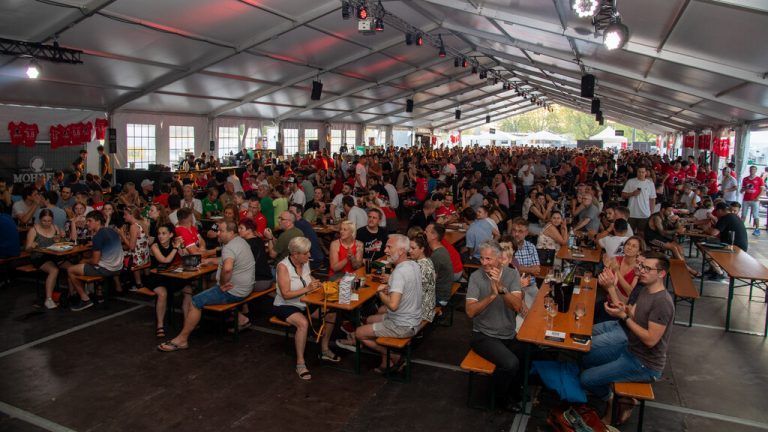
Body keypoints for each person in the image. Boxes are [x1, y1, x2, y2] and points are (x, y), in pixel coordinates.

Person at [583, 251, 674, 425]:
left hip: (645, 364)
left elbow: (650, 340)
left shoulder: (662, 302)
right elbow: (631, 313)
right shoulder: (646, 290)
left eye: (647, 268)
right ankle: (617, 394)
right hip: (629, 350)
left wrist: (623, 317)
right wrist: (617, 303)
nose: (641, 271)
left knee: (586, 378)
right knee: (586, 356)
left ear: (661, 274)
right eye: (641, 267)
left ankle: (613, 400)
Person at [158, 221, 255, 352]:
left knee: (195, 301)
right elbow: (229, 260)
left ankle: (182, 339)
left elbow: (227, 269)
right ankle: (241, 318)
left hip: (234, 291)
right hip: (247, 286)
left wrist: (222, 284)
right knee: (207, 288)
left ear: (231, 233)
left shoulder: (229, 247)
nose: (218, 233)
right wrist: (211, 260)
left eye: (221, 231)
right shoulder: (240, 241)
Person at [466, 240, 525, 410]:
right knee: (510, 363)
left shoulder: (512, 275)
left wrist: (501, 289)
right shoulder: (476, 277)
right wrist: (492, 295)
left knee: (528, 352)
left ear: (499, 259)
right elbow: (470, 312)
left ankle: (514, 390)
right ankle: (500, 399)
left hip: (507, 333)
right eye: (482, 258)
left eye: (488, 259)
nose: (484, 263)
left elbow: (517, 306)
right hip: (483, 336)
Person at [272, 237, 339, 380]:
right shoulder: (283, 267)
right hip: (286, 305)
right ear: (295, 254)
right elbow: (286, 294)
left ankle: (325, 349)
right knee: (303, 323)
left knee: (331, 314)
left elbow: (307, 277)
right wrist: (307, 288)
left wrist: (314, 282)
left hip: (305, 303)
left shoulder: (305, 262)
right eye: (306, 253)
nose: (309, 255)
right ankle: (300, 363)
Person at [355, 234, 423, 372]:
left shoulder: (399, 273)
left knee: (359, 332)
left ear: (402, 251)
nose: (385, 250)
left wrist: (379, 292)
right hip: (414, 318)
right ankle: (387, 358)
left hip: (402, 324)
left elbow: (392, 305)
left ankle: (391, 355)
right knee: (369, 319)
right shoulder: (413, 265)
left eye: (389, 247)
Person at [66, 211, 124, 311]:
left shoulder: (98, 236)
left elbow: (95, 261)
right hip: (119, 266)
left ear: (98, 221)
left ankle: (85, 299)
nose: (87, 223)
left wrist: (85, 260)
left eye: (89, 221)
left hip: (107, 269)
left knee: (71, 270)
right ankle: (88, 291)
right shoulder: (111, 231)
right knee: (84, 260)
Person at [147, 223, 189, 338]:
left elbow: (185, 257)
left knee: (189, 289)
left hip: (169, 276)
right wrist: (175, 248)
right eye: (159, 233)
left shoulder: (173, 244)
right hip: (156, 277)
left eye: (164, 233)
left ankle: (187, 322)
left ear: (171, 235)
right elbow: (165, 260)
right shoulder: (154, 246)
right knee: (162, 293)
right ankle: (160, 325)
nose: (160, 236)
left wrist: (181, 246)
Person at [26, 209, 67, 309]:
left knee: (71, 267)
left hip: (54, 255)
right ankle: (48, 299)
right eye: (44, 221)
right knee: (54, 270)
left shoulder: (55, 227)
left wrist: (61, 238)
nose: (47, 223)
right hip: (39, 257)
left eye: (49, 221)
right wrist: (32, 246)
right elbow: (27, 249)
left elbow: (61, 243)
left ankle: (73, 294)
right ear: (40, 220)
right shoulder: (34, 230)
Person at [601, 236, 645, 305]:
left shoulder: (639, 268)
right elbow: (604, 283)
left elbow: (630, 293)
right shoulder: (616, 259)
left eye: (634, 246)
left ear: (639, 252)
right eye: (628, 244)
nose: (629, 247)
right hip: (609, 300)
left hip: (625, 306)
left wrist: (617, 271)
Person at [119, 206, 151, 291]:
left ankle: (137, 284)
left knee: (117, 257)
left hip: (137, 258)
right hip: (145, 256)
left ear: (132, 215)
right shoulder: (142, 222)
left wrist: (122, 235)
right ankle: (145, 282)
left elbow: (132, 247)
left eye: (125, 214)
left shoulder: (133, 226)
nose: (123, 216)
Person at [238, 219, 273, 292]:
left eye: (241, 228)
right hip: (268, 278)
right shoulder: (258, 239)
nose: (238, 230)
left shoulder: (247, 244)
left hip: (259, 281)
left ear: (249, 230)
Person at [409, 232, 436, 325]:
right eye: (409, 248)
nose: (409, 251)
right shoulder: (427, 260)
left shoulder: (421, 267)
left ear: (422, 249)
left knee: (385, 309)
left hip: (422, 312)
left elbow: (410, 291)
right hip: (427, 306)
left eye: (413, 248)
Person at [622, 166, 657, 235]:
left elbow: (652, 199)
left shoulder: (650, 184)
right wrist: (632, 193)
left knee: (642, 233)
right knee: (629, 233)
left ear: (646, 173)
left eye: (642, 172)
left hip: (645, 214)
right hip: (632, 213)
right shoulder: (630, 182)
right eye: (639, 172)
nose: (641, 174)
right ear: (636, 172)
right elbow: (623, 195)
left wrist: (651, 212)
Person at [426, 223, 454, 307]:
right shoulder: (442, 249)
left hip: (439, 298)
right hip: (443, 294)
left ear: (434, 236)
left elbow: (429, 282)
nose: (424, 232)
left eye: (427, 231)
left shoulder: (437, 255)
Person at [289, 204, 324, 269]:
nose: (289, 214)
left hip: (312, 260)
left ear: (299, 213)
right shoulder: (303, 222)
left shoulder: (298, 225)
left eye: (291, 212)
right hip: (318, 257)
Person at [740, 165, 765, 236]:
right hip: (746, 199)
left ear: (756, 171)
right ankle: (741, 228)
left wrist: (758, 197)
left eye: (754, 169)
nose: (752, 171)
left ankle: (757, 229)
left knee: (755, 215)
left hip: (755, 200)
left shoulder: (759, 179)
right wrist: (745, 189)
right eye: (751, 169)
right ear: (749, 170)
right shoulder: (745, 179)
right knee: (743, 215)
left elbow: (762, 189)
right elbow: (742, 190)